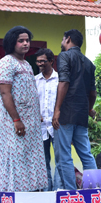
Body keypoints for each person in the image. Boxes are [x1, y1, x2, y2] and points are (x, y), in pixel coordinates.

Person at [0, 26, 47, 192]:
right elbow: (5, 93)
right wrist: (16, 120)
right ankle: (15, 196)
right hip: (14, 122)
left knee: (31, 156)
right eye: (21, 40)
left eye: (27, 40)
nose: (26, 43)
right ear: (12, 43)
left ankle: (32, 192)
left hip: (30, 123)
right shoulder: (5, 63)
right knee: (16, 157)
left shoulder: (26, 63)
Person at [52, 29, 97, 190]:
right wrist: (89, 108)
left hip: (65, 113)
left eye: (63, 39)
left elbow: (63, 82)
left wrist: (57, 110)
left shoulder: (64, 56)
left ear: (68, 39)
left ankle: (70, 193)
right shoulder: (89, 63)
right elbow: (93, 92)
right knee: (86, 154)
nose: (62, 42)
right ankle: (93, 190)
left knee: (64, 156)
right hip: (81, 115)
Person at [35, 48, 62, 191]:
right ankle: (46, 192)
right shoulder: (35, 80)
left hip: (56, 126)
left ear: (51, 61)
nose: (39, 64)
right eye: (38, 61)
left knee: (60, 160)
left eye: (43, 61)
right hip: (40, 128)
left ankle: (57, 191)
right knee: (43, 162)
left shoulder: (60, 80)